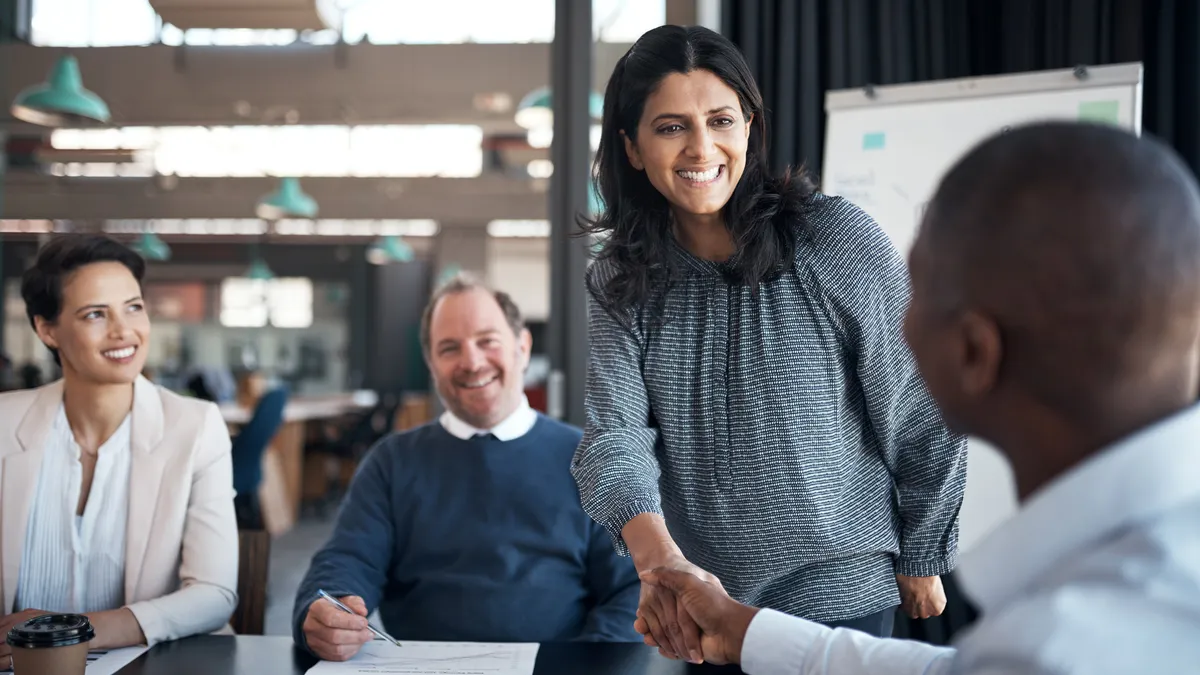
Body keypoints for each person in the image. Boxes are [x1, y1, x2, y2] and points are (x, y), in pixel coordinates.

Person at [635, 121, 1200, 673]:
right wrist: (746, 629)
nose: (899, 324)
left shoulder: (1057, 638)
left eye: (918, 290)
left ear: (974, 352)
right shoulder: (1120, 602)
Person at [571, 24, 967, 662]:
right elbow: (614, 439)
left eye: (721, 120)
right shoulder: (619, 279)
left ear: (750, 127)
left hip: (840, 597)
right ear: (634, 148)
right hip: (702, 607)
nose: (702, 148)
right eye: (671, 127)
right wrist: (662, 569)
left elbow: (921, 405)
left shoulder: (833, 239)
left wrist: (924, 550)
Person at [293, 275, 640, 662]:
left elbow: (630, 590)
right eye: (449, 348)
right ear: (431, 364)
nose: (472, 362)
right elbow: (348, 558)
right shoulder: (392, 461)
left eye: (487, 341)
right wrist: (326, 609)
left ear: (522, 348)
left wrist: (582, 664)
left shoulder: (593, 459)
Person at [0, 235, 238, 668]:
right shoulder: (3, 424)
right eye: (95, 314)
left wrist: (67, 631)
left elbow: (214, 595)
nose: (124, 330)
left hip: (150, 665)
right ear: (46, 329)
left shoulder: (195, 426)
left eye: (134, 307)